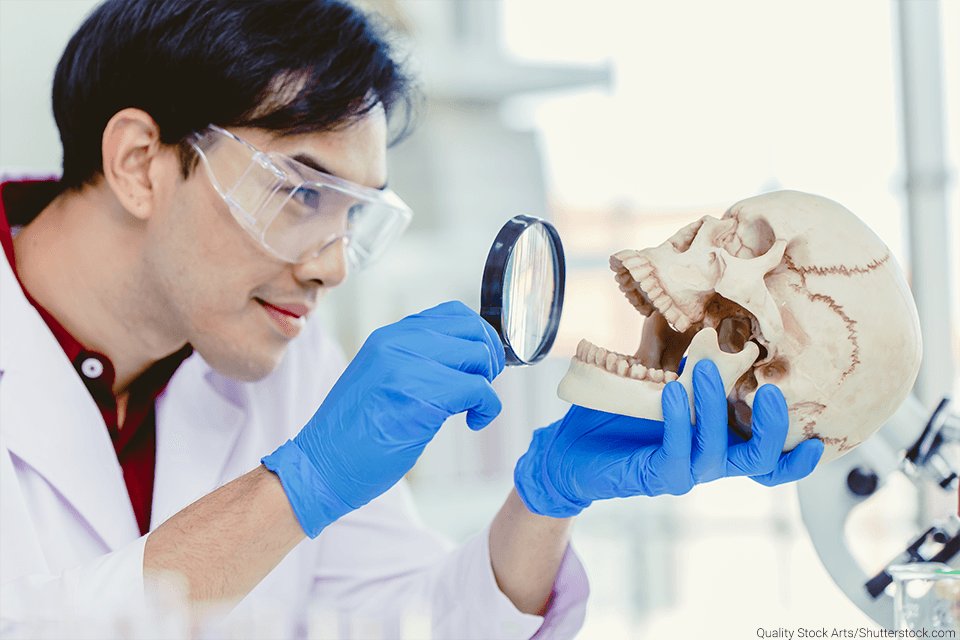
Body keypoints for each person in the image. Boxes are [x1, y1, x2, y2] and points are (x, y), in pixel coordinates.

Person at [0, 0, 825, 637]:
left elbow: (414, 622)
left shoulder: (283, 357)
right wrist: (293, 490)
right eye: (298, 191)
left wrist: (542, 503)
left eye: (354, 217)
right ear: (140, 164)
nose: (329, 264)